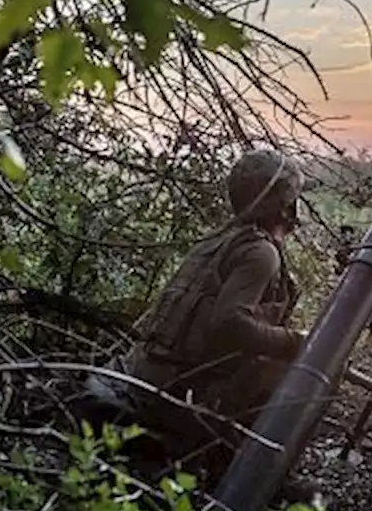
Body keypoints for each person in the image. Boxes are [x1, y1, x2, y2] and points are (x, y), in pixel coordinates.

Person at [78, 148, 309, 489]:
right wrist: (297, 342)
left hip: (145, 373)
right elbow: (230, 326)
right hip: (178, 391)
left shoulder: (216, 240)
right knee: (299, 368)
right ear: (283, 204)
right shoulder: (261, 253)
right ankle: (256, 474)